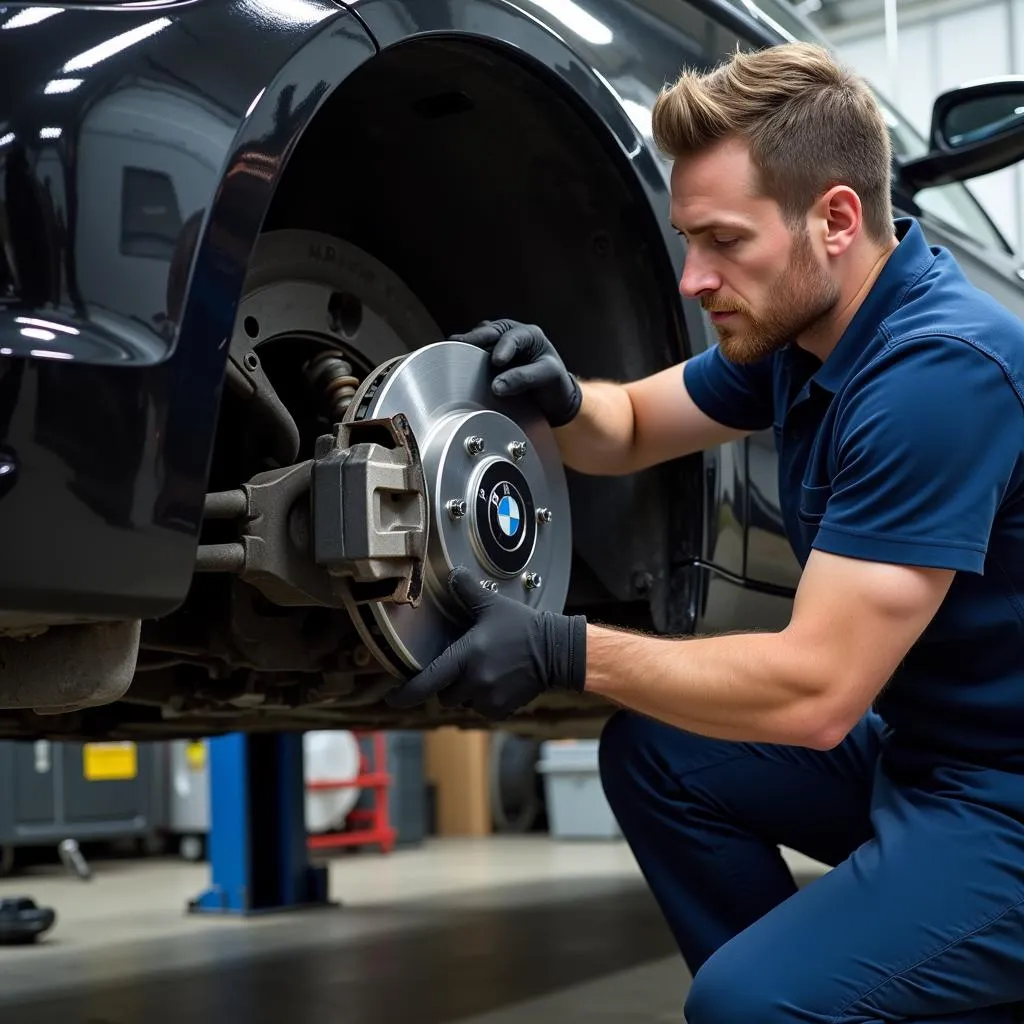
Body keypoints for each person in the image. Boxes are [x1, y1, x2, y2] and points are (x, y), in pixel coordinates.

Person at [386, 40, 1024, 1024]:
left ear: (836, 220)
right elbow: (637, 425)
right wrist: (561, 400)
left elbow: (815, 695)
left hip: (1005, 801)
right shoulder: (807, 330)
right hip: (931, 755)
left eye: (723, 241)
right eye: (688, 241)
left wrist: (568, 648)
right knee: (657, 754)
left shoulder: (937, 376)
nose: (693, 278)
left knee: (742, 1005)